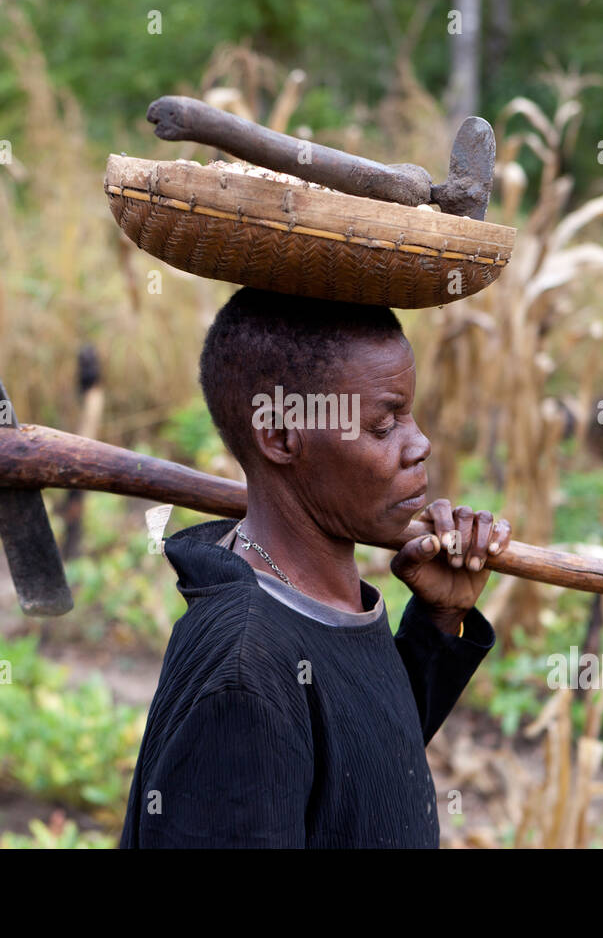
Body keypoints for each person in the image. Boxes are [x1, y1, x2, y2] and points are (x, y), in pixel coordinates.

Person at [119, 286, 512, 848]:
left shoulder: (323, 601)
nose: (420, 443)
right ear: (281, 435)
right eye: (383, 425)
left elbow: (361, 778)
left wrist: (439, 623)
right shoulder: (245, 674)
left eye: (410, 414)